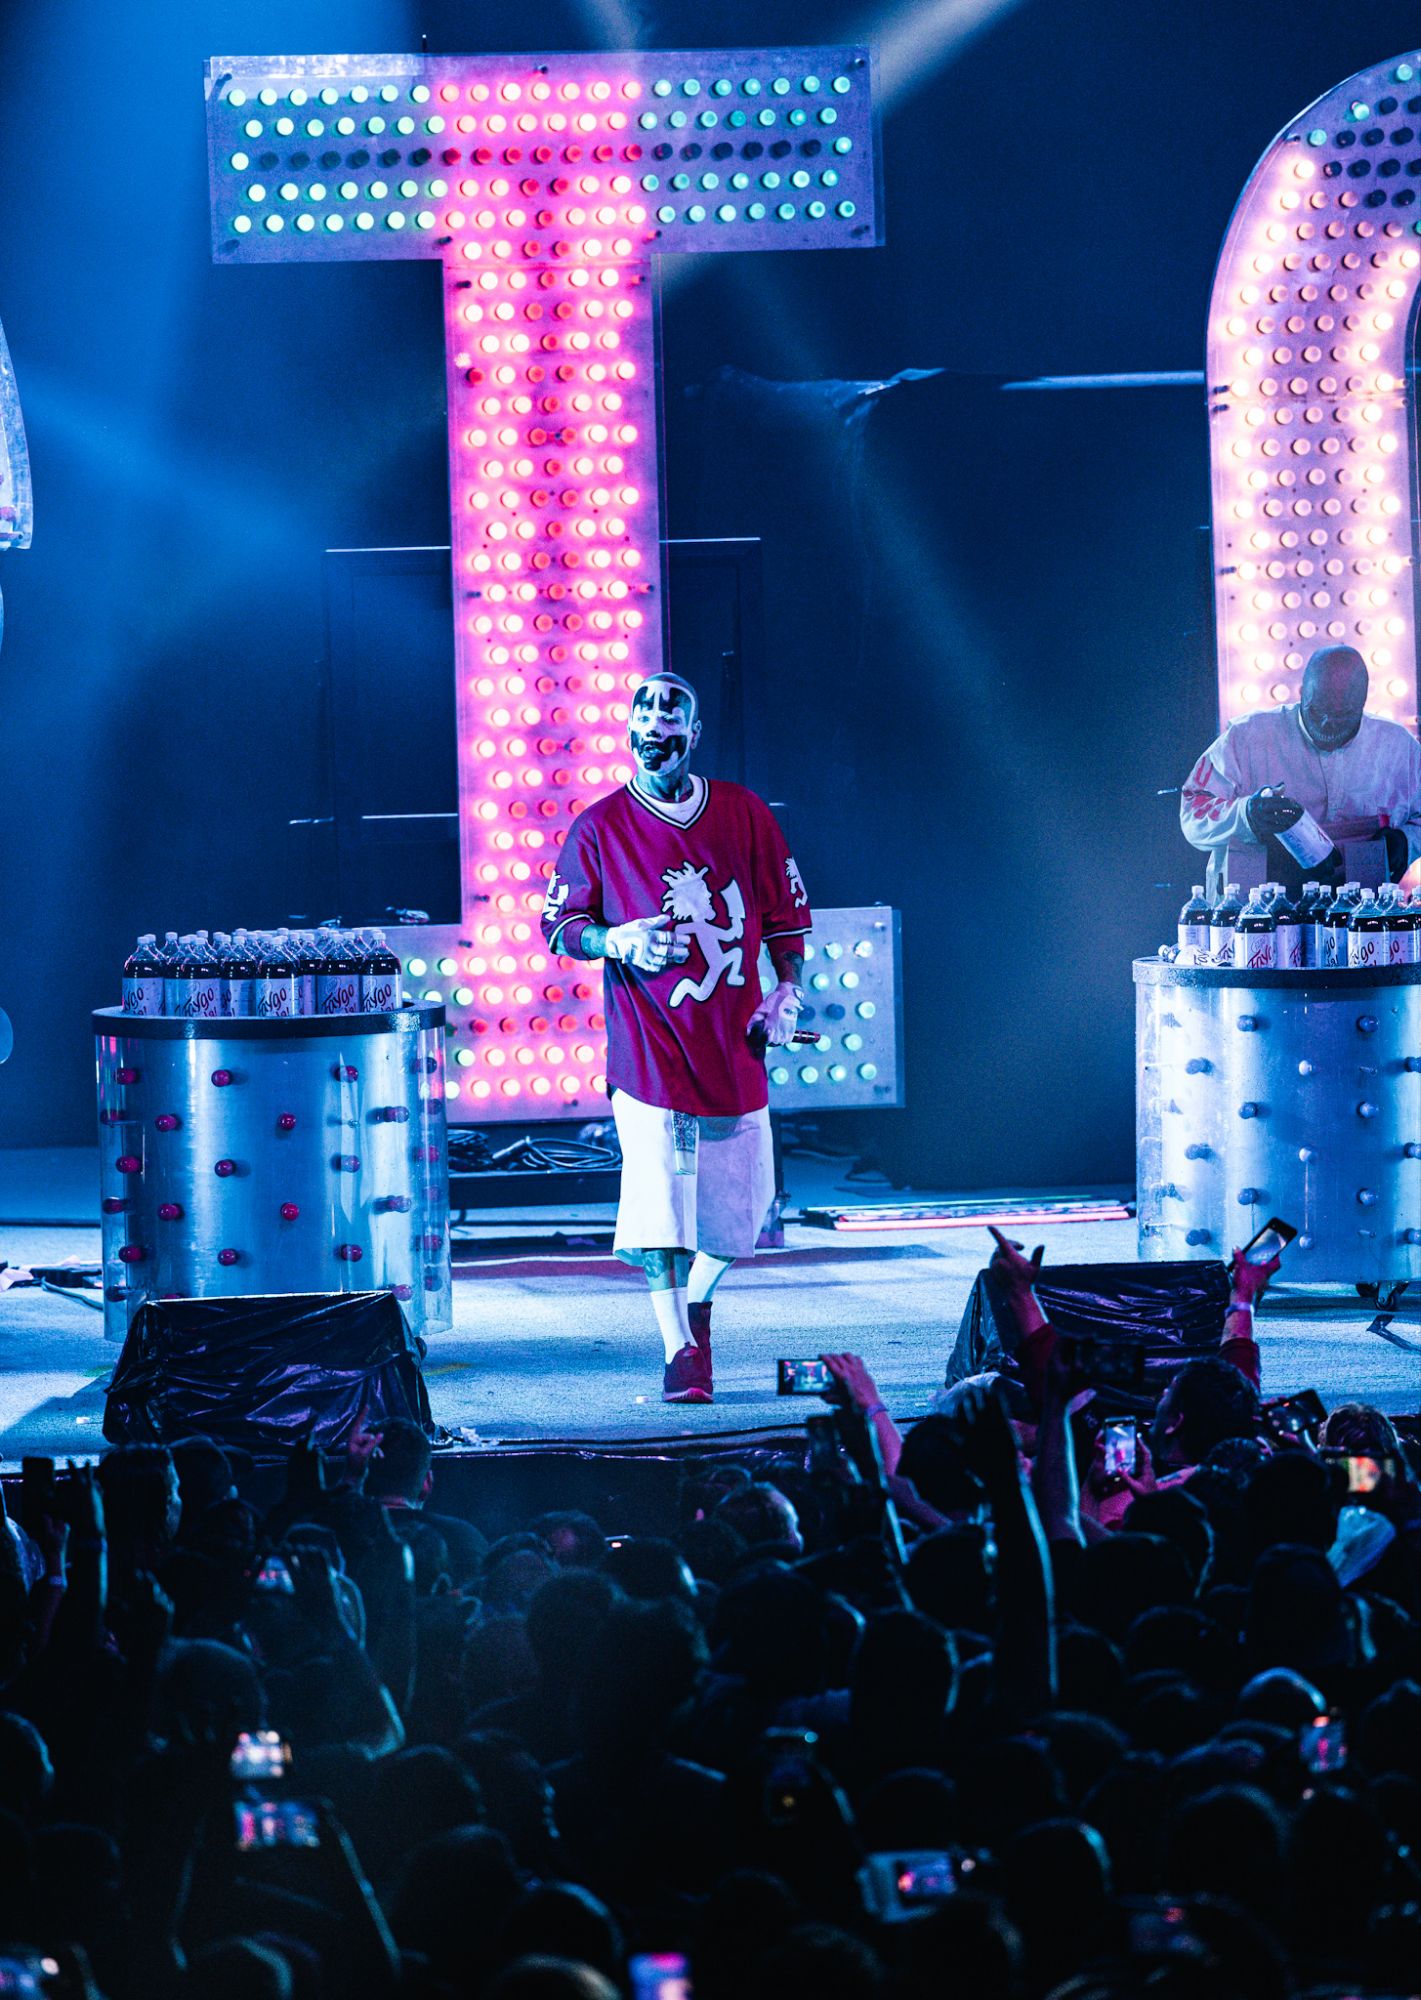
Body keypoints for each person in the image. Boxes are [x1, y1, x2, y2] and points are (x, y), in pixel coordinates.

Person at [539, 672, 811, 1402]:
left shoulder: (742, 813)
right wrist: (617, 938)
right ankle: (680, 1350)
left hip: (732, 1040)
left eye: (672, 713)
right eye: (644, 710)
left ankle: (698, 1299)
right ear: (627, 730)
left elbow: (785, 916)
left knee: (737, 1210)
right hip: (647, 1046)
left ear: (692, 736)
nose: (655, 722)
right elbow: (559, 926)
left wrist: (787, 990)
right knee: (659, 1198)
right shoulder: (598, 827)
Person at [1180, 644, 1421, 892]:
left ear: (1364, 700)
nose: (1329, 724)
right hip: (1258, 914)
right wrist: (1246, 814)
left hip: (1360, 913)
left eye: (1344, 715)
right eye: (1317, 711)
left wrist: (1406, 841)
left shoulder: (1400, 747)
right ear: (1302, 691)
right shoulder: (1246, 737)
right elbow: (1192, 811)